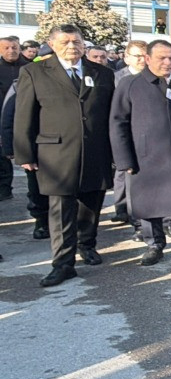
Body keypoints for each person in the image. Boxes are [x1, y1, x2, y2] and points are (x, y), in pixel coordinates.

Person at [13, 25, 116, 287]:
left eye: (77, 41)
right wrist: (24, 152)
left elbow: (110, 116)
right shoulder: (34, 71)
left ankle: (87, 245)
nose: (72, 46)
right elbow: (24, 114)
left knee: (91, 203)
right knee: (60, 210)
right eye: (66, 41)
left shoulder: (102, 73)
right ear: (52, 44)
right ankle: (62, 263)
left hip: (95, 150)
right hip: (55, 153)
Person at [110, 40, 171, 267]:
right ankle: (154, 245)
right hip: (145, 156)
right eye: (161, 58)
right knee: (149, 204)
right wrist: (123, 159)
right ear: (147, 59)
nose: (167, 62)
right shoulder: (130, 85)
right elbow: (118, 123)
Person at [3, 45, 51, 238]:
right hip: (35, 146)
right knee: (36, 188)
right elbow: (10, 117)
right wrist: (11, 148)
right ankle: (41, 221)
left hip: (62, 146)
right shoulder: (22, 81)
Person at [111, 41, 148, 226]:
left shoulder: (153, 77)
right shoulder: (116, 78)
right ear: (126, 58)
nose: (141, 60)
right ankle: (122, 209)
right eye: (137, 56)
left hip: (146, 135)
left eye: (144, 55)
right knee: (123, 172)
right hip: (124, 132)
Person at [0, 35, 26, 200]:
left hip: (23, 116)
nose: (11, 51)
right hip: (2, 117)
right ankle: (4, 188)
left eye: (14, 47)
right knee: (2, 157)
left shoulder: (29, 68)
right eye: (6, 48)